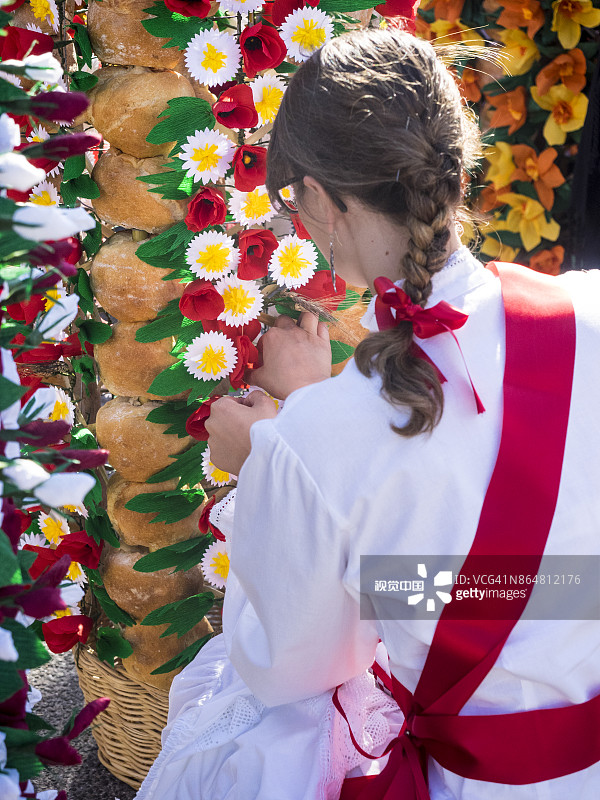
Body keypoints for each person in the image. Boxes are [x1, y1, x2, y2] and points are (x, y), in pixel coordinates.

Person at [135, 28, 600, 800]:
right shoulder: (587, 313)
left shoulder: (322, 437)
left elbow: (291, 667)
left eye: (292, 204)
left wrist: (272, 460)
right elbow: (562, 585)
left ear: (317, 196)